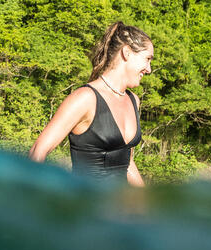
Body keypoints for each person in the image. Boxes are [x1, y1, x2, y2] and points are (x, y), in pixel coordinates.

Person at [29, 22, 153, 187]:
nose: (149, 69)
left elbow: (127, 162)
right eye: (147, 59)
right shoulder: (85, 98)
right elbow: (38, 151)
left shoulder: (133, 100)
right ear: (127, 53)